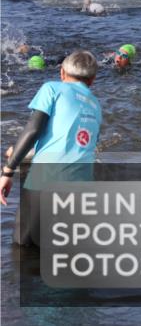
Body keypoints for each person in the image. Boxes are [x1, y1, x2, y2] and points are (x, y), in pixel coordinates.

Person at [0, 51, 101, 246]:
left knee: (23, 245)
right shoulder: (96, 105)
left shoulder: (52, 89)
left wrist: (8, 171)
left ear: (62, 73)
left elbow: (33, 130)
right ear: (92, 80)